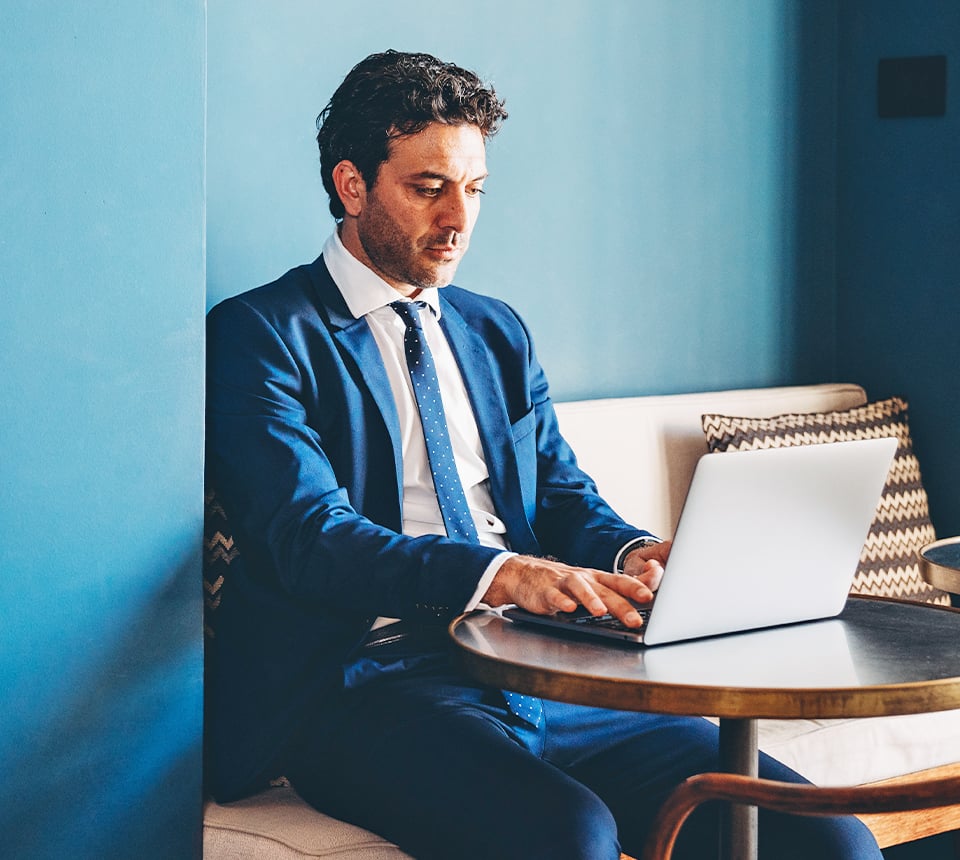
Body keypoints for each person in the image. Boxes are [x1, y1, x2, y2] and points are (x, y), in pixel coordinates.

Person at [205, 50, 881, 860]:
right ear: (353, 186)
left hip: (541, 667)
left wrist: (637, 551)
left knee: (827, 839)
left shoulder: (495, 332)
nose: (459, 219)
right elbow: (307, 535)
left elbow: (561, 494)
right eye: (429, 189)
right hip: (373, 685)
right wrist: (499, 573)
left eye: (475, 189)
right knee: (570, 836)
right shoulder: (262, 334)